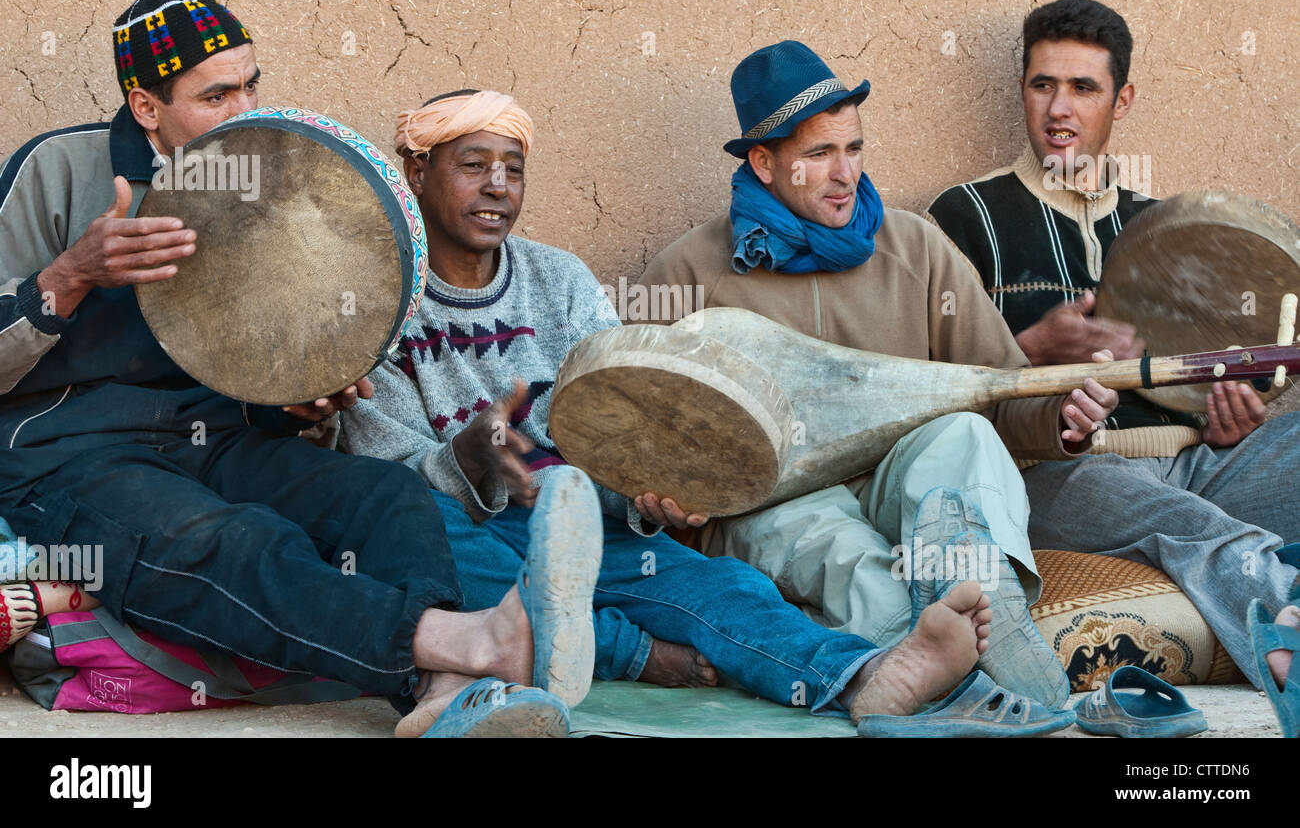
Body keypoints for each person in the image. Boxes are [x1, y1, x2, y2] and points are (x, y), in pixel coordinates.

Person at [338, 87, 1036, 734]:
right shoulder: (378, 303)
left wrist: (647, 497)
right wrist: (464, 459)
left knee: (723, 585)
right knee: (449, 559)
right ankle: (632, 651)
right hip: (456, 526)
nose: (498, 186)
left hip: (579, 522)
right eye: (473, 165)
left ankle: (868, 674)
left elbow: (624, 426)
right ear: (417, 172)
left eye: (513, 169)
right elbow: (383, 478)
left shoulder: (561, 279)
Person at [0, 0, 598, 738]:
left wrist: (299, 403)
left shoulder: (266, 173)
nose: (244, 108)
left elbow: (248, 363)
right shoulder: (56, 171)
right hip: (68, 456)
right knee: (233, 539)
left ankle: (444, 687)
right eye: (216, 94)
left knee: (383, 496)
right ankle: (473, 642)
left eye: (252, 83)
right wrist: (71, 274)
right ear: (147, 108)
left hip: (213, 443)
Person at [636, 41, 1121, 709]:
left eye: (854, 148)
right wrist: (661, 494)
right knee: (830, 542)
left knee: (964, 437)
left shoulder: (914, 246)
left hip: (903, 479)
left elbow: (1000, 390)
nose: (845, 175)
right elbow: (639, 439)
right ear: (763, 162)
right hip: (776, 501)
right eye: (818, 155)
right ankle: (958, 666)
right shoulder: (689, 272)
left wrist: (1059, 416)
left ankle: (990, 611)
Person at [927, 0, 1300, 689]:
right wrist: (1032, 346)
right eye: (1043, 85)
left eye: (1083, 88)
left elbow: (1201, 381)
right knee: (1191, 525)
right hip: (1063, 474)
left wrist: (1225, 420)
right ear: (1022, 91)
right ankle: (1288, 639)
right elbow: (934, 382)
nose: (1059, 109)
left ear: (1121, 100)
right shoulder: (965, 216)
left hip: (1198, 465)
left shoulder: (1160, 224)